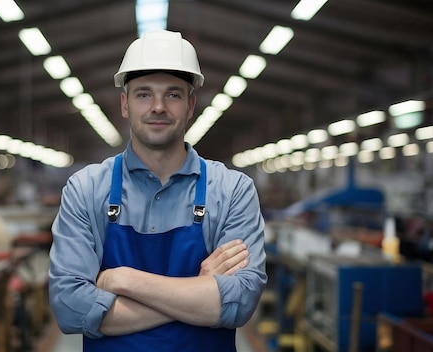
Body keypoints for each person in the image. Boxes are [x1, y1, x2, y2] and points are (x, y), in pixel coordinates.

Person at [48, 29, 268, 352]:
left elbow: (240, 303)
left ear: (191, 105)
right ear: (124, 104)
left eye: (174, 95)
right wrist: (198, 292)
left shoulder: (233, 190)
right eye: (144, 94)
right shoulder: (85, 190)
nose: (159, 107)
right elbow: (69, 307)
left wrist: (122, 280)